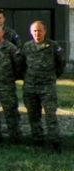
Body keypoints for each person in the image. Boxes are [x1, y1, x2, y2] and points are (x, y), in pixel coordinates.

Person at [18, 21, 66, 151]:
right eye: (34, 31)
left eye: (39, 30)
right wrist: (27, 77)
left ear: (44, 31)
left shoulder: (53, 46)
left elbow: (61, 63)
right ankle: (38, 140)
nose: (37, 33)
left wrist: (53, 76)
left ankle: (55, 142)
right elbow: (20, 64)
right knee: (33, 115)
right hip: (30, 87)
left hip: (47, 87)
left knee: (50, 115)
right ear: (31, 32)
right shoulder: (26, 47)